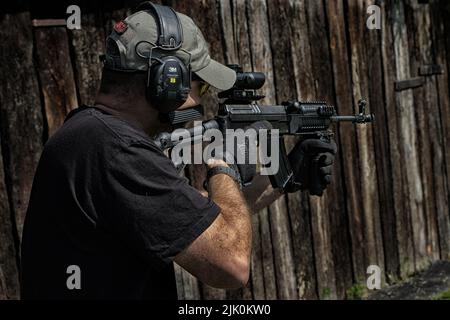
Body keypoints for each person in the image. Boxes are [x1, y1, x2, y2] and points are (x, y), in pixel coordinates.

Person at [20, 2, 336, 299]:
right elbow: (232, 267)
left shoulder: (90, 135)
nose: (199, 103)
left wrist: (285, 176)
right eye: (201, 87)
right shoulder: (116, 150)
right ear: (167, 82)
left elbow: (195, 220)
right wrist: (223, 163)